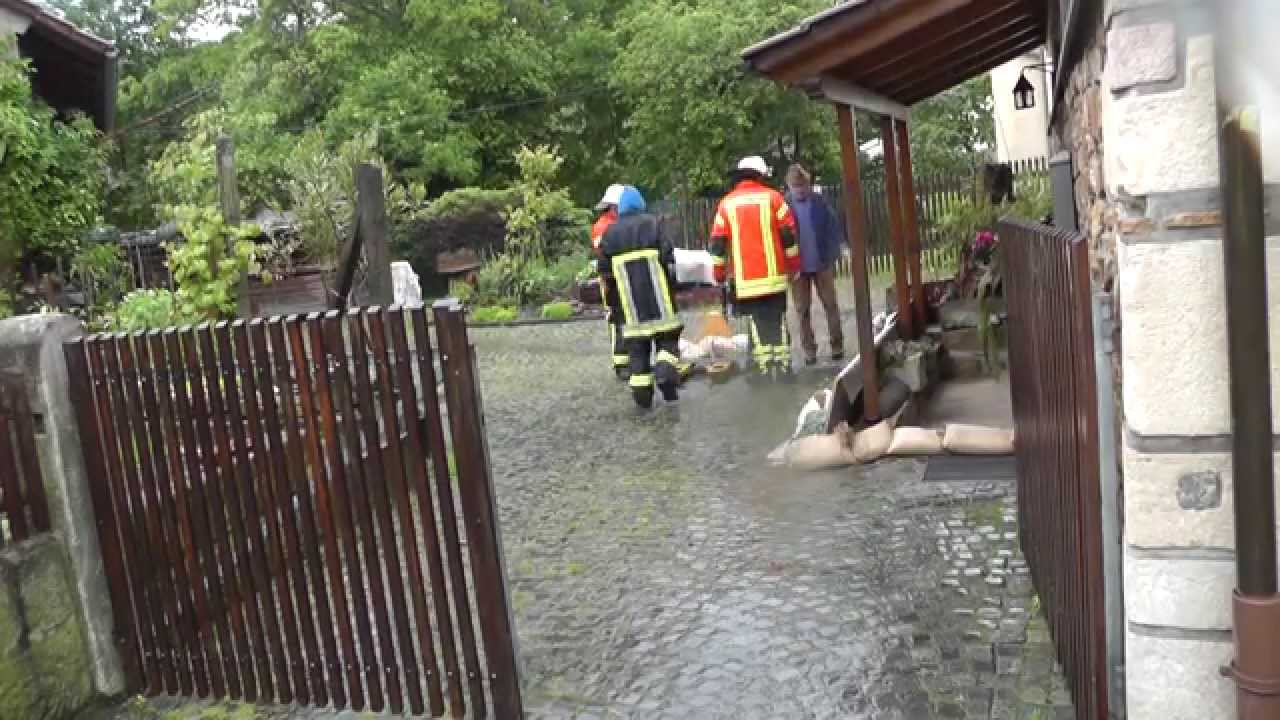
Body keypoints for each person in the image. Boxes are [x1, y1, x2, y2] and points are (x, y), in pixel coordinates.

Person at [709, 156, 801, 376]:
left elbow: (718, 245)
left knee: (756, 324)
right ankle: (784, 369)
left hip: (746, 283)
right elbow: (789, 236)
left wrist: (719, 274)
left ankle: (762, 372)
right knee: (777, 321)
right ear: (760, 175)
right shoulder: (774, 199)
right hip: (775, 279)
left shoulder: (726, 204)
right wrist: (794, 266)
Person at [598, 186, 683, 408]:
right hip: (660, 303)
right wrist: (674, 288)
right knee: (668, 343)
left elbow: (605, 275)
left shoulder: (610, 235)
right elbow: (669, 260)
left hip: (631, 310)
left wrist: (614, 306)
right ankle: (665, 374)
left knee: (638, 357)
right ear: (641, 204)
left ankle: (643, 401)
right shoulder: (654, 225)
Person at [784, 164, 845, 365]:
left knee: (831, 305)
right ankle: (809, 351)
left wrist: (832, 255)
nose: (800, 189)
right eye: (796, 186)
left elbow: (833, 229)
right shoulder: (783, 207)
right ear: (789, 186)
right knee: (802, 311)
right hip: (797, 269)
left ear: (808, 184)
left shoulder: (820, 202)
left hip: (822, 264)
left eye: (803, 185)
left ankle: (837, 346)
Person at [592, 184, 629, 379]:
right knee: (616, 318)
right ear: (614, 206)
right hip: (610, 279)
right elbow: (603, 254)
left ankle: (628, 357)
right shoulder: (602, 226)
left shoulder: (615, 223)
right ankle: (620, 362)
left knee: (626, 317)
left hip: (621, 275)